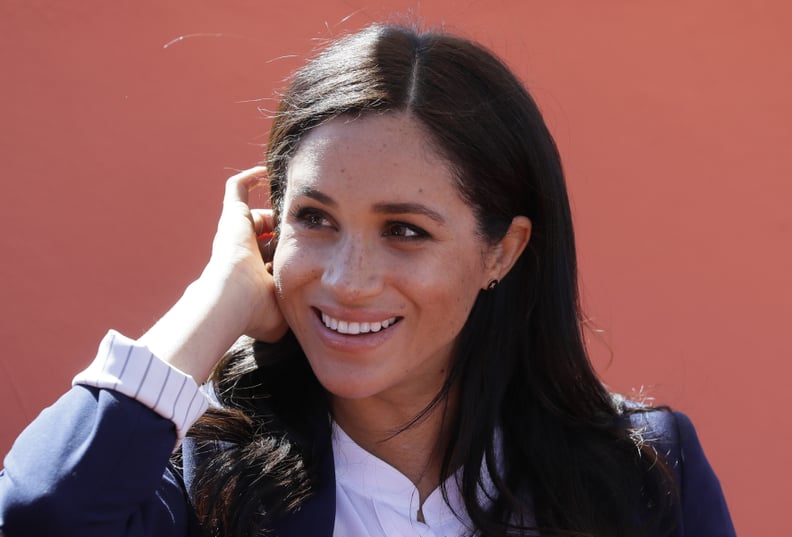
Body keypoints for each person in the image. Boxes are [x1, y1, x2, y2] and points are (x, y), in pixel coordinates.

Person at [0, 23, 735, 537]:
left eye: (406, 231)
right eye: (314, 219)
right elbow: (42, 514)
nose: (348, 280)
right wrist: (213, 302)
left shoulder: (642, 471)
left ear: (501, 252)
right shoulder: (204, 468)